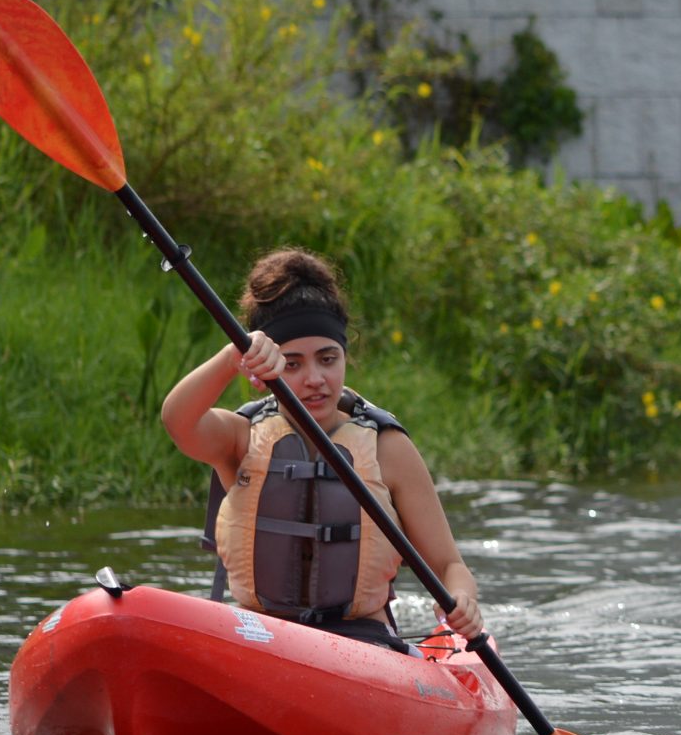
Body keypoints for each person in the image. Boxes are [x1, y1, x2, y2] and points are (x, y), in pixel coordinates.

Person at [160, 247, 481, 654]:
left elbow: (450, 566)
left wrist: (462, 600)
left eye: (328, 359)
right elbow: (177, 421)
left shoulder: (388, 448)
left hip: (364, 645)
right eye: (292, 364)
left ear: (345, 356)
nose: (316, 379)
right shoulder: (240, 438)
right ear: (266, 365)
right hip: (259, 638)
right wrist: (231, 357)